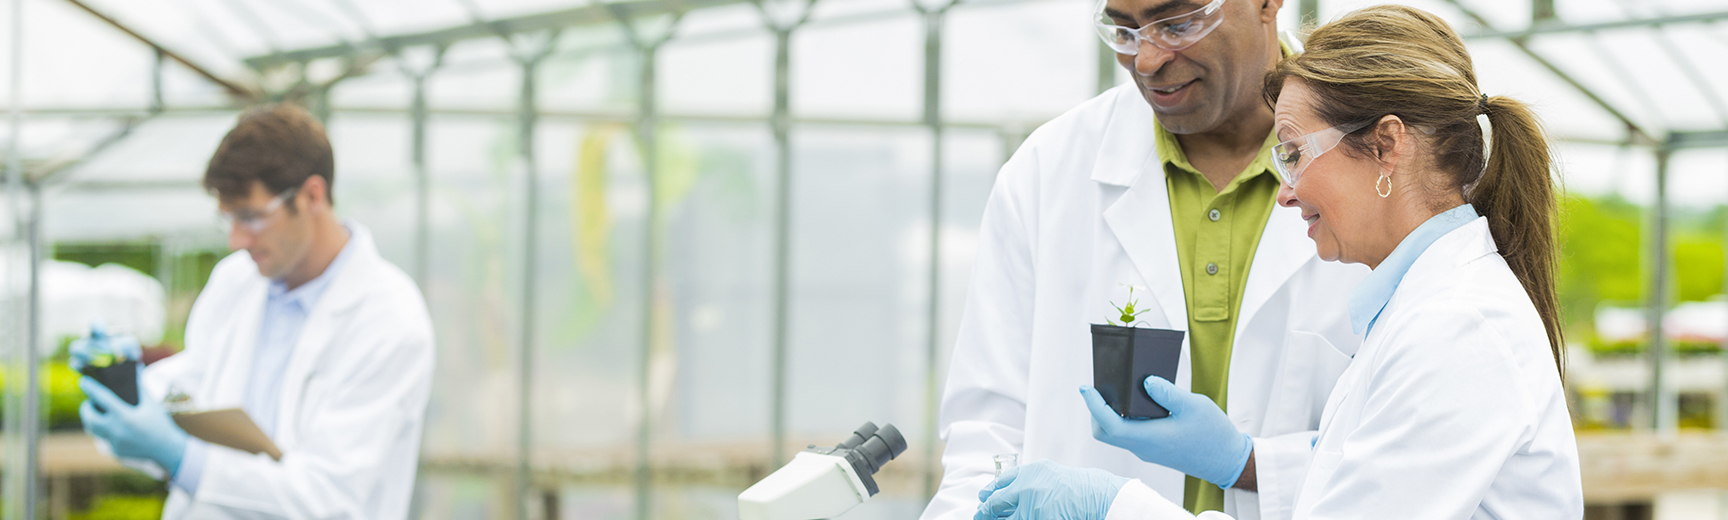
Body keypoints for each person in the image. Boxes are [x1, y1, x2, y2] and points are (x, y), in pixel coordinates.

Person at [974, 5, 1583, 518]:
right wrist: (1241, 459)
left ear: (1387, 144)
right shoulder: (1429, 307)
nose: (1284, 188)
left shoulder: (1458, 328)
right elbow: (1361, 477)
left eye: (1292, 153)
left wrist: (1112, 507)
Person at [921, 0, 1371, 516]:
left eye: (1178, 23)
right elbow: (986, 434)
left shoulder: (1375, 166)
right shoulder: (1048, 172)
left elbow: (1406, 457)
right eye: (1124, 30)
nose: (1148, 60)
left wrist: (1248, 464)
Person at [72, 103, 436, 519]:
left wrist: (182, 459)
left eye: (251, 217)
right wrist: (123, 389)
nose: (236, 240)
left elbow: (327, 498)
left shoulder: (388, 320)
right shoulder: (237, 281)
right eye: (227, 219)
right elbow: (193, 384)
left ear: (312, 195)